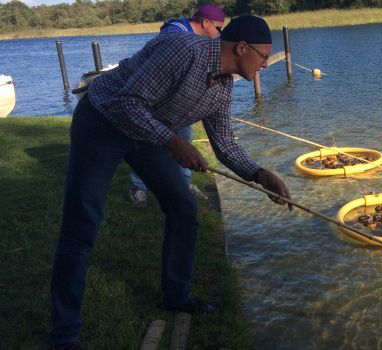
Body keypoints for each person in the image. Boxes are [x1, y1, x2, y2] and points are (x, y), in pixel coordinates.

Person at [50, 15, 291, 350]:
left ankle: (177, 296)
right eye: (264, 57)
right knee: (83, 223)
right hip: (101, 124)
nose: (265, 65)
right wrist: (174, 142)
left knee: (183, 209)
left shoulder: (223, 87)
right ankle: (64, 334)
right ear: (241, 48)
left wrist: (259, 174)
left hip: (146, 134)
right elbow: (125, 102)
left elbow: (223, 144)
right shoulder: (182, 50)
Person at [129, 3, 226, 207]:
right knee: (145, 142)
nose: (220, 34)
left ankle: (185, 183)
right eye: (218, 28)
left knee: (185, 138)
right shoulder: (176, 34)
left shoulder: (198, 38)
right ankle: (138, 187)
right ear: (205, 22)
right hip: (156, 102)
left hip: (179, 104)